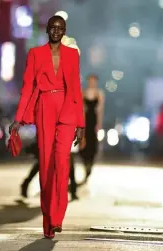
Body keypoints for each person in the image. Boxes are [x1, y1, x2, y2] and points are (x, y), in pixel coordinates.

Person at [8, 15, 85, 239]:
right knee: (46, 165)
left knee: (62, 164)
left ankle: (58, 217)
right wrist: (19, 118)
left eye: (60, 28)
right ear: (47, 30)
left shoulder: (72, 55)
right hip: (44, 109)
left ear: (65, 31)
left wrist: (81, 123)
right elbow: (27, 88)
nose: (56, 31)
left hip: (67, 111)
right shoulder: (35, 54)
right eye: (53, 27)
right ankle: (47, 219)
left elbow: (76, 88)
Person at [79, 74, 105, 184]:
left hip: (93, 122)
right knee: (82, 147)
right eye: (90, 80)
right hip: (85, 121)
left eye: (94, 81)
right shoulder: (83, 92)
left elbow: (100, 110)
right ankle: (85, 166)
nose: (92, 82)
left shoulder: (99, 93)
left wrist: (99, 125)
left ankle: (89, 168)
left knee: (92, 147)